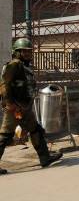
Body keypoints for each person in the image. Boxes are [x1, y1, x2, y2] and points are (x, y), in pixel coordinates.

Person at [0, 38, 62, 175]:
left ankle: (45, 158)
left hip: (25, 106)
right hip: (15, 107)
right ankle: (45, 158)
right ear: (17, 52)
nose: (28, 54)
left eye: (29, 51)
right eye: (24, 51)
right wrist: (10, 104)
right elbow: (4, 85)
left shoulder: (25, 66)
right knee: (5, 135)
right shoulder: (14, 65)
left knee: (36, 130)